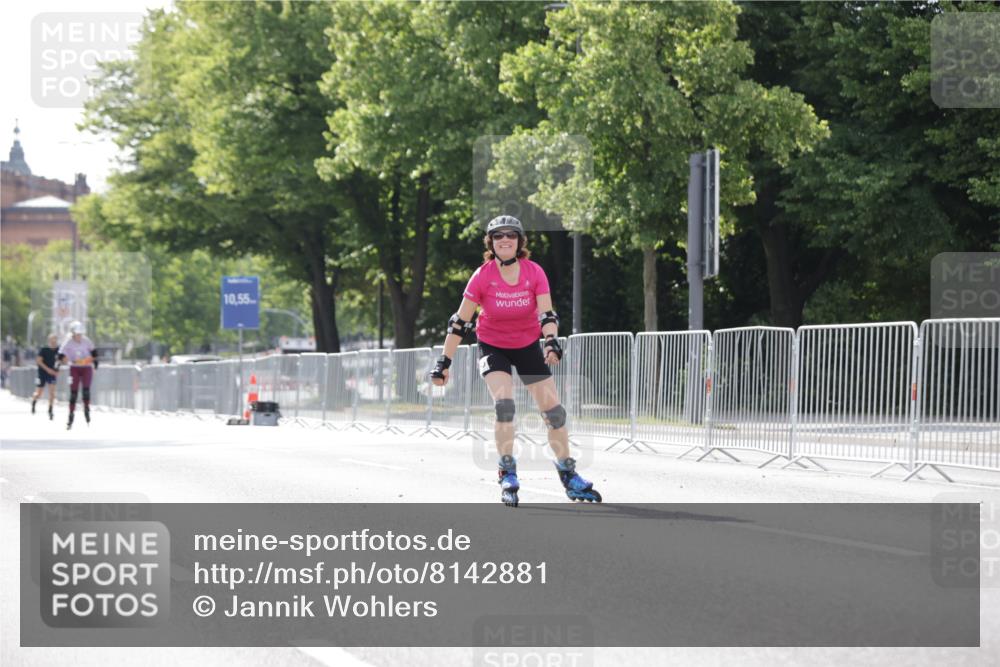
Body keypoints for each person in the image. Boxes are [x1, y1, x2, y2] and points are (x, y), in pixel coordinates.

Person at [430, 215, 602, 507]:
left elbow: (547, 314)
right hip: (493, 346)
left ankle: (568, 473)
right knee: (505, 404)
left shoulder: (534, 272)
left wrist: (551, 342)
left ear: (520, 241)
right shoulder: (482, 276)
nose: (505, 240)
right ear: (491, 243)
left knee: (554, 412)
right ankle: (507, 469)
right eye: (498, 236)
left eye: (511, 235)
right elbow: (459, 323)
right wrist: (443, 363)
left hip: (526, 346)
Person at [57, 321, 99, 430]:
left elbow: (94, 353)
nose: (79, 337)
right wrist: (66, 361)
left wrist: (93, 362)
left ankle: (86, 409)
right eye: (77, 335)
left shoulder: (86, 341)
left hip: (86, 368)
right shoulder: (68, 342)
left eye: (80, 334)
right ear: (73, 334)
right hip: (74, 368)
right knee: (73, 394)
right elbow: (60, 355)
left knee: (85, 391)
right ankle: (71, 416)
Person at [30, 334, 61, 420]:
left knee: (52, 393)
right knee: (39, 393)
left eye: (55, 340)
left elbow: (59, 361)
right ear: (49, 341)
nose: (53, 342)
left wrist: (57, 370)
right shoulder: (44, 350)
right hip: (42, 373)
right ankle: (34, 401)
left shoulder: (59, 351)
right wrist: (48, 370)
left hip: (52, 374)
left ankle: (50, 410)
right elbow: (39, 361)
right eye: (52, 340)